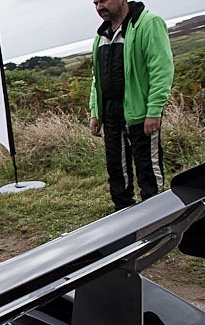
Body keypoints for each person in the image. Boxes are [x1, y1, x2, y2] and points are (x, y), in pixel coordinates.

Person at [89, 0, 174, 211]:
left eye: (104, 0)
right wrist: (95, 112)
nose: (100, 7)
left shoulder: (148, 24)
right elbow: (96, 78)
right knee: (117, 169)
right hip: (110, 113)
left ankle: (157, 219)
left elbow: (161, 70)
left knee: (147, 168)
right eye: (95, 2)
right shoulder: (101, 35)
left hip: (140, 112)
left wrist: (154, 110)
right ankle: (124, 218)